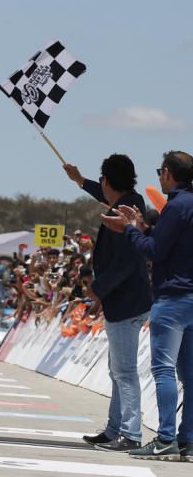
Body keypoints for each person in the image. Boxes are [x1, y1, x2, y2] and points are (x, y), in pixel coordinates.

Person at [102, 150, 193, 462]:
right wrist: (144, 226)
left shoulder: (175, 205)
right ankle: (187, 440)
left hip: (173, 298)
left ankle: (166, 437)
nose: (159, 176)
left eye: (160, 171)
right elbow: (169, 242)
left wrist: (128, 229)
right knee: (190, 374)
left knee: (164, 369)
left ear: (168, 173)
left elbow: (154, 251)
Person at [64, 154, 152, 452]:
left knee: (124, 371)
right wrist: (80, 181)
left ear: (107, 181)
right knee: (118, 369)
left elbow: (127, 261)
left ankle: (130, 433)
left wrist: (97, 289)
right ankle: (115, 428)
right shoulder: (131, 200)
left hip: (126, 301)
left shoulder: (125, 209)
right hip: (126, 299)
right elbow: (105, 194)